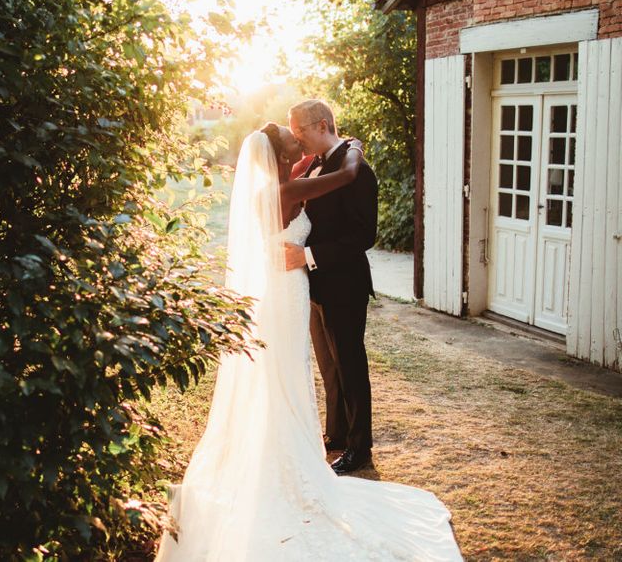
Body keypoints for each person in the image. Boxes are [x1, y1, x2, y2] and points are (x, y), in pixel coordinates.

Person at [154, 124, 461, 561]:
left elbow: (308, 168)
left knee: (286, 370)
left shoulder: (274, 185)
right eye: (291, 137)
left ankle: (294, 443)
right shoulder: (291, 189)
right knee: (291, 368)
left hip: (284, 292)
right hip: (290, 292)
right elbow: (347, 175)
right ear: (280, 153)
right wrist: (353, 148)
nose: (299, 141)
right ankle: (292, 451)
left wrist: (320, 152)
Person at [285, 99, 376, 474]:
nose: (298, 141)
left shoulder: (358, 171)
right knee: (330, 366)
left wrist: (306, 256)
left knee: (350, 365)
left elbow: (363, 236)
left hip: (345, 283)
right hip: (317, 286)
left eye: (300, 133)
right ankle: (336, 434)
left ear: (321, 126)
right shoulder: (315, 165)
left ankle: (360, 449)